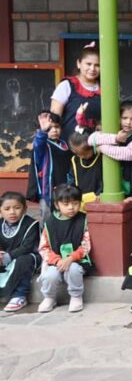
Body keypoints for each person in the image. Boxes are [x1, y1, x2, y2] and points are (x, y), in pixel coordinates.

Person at [38, 185, 92, 313]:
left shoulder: (83, 220)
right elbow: (44, 247)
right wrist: (57, 260)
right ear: (57, 205)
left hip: (77, 260)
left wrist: (71, 258)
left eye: (75, 203)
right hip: (55, 262)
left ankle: (76, 296)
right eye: (66, 204)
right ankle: (49, 297)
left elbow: (86, 244)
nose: (71, 207)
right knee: (50, 275)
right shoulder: (50, 223)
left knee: (73, 269)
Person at [88, 100, 132, 196]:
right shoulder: (112, 132)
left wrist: (101, 147)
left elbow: (128, 154)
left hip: (128, 182)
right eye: (124, 118)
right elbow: (91, 139)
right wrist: (115, 138)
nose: (128, 122)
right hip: (107, 180)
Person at [50, 44, 101, 141]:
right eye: (88, 64)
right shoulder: (66, 86)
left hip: (97, 148)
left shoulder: (106, 88)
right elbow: (54, 120)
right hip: (68, 147)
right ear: (79, 63)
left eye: (97, 65)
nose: (92, 69)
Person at [0, 192, 41, 312]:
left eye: (17, 208)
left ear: (24, 209)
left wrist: (8, 256)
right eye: (7, 209)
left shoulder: (31, 224)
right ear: (1, 210)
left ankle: (19, 295)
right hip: (6, 259)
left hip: (29, 258)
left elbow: (27, 247)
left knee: (23, 261)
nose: (12, 212)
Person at [31, 112, 71, 222]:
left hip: (64, 187)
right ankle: (45, 238)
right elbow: (38, 143)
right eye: (49, 128)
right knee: (47, 218)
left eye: (56, 127)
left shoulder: (65, 145)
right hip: (47, 190)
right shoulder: (43, 146)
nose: (54, 130)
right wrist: (43, 131)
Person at [67, 127, 102, 207]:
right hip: (81, 200)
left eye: (85, 154)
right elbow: (72, 179)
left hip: (98, 198)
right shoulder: (75, 160)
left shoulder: (101, 158)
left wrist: (100, 194)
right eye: (78, 154)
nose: (82, 156)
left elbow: (103, 181)